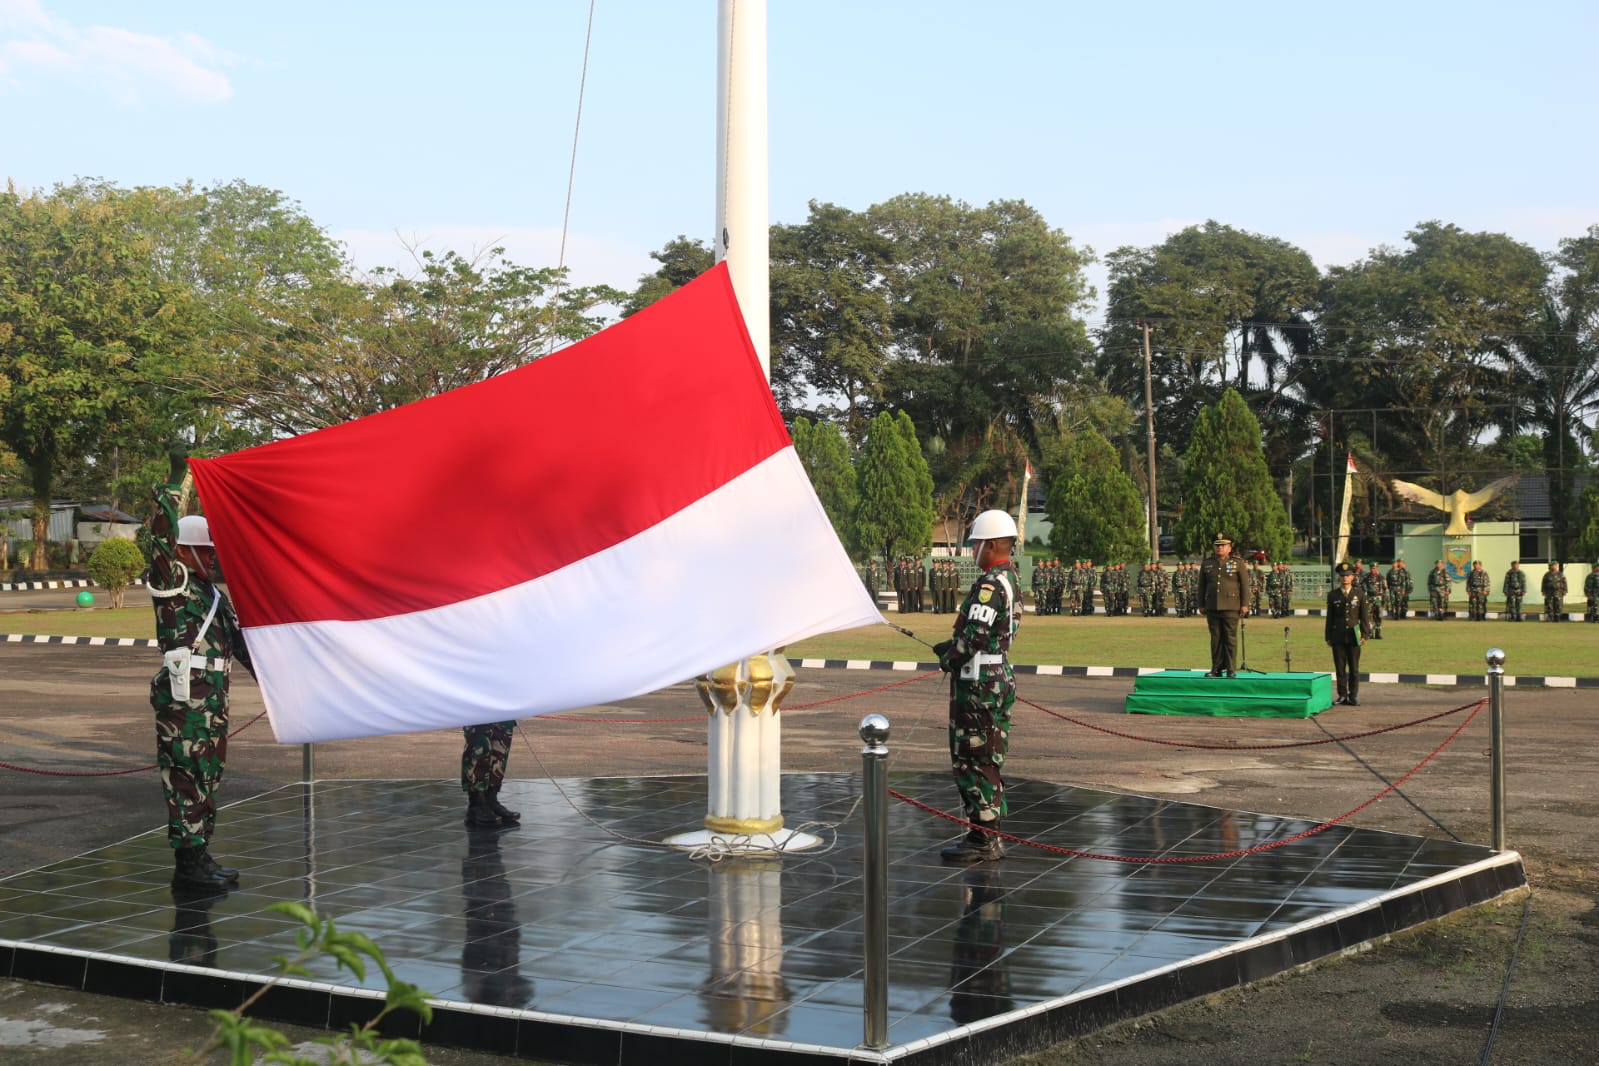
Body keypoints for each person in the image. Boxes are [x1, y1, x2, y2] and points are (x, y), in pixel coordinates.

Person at [148, 450, 255, 890]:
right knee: (186, 779)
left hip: (212, 701)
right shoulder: (173, 580)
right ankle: (187, 868)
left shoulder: (214, 594)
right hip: (184, 704)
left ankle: (201, 854)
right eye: (206, 552)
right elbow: (157, 537)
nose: (213, 559)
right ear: (185, 550)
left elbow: (244, 647)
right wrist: (177, 480)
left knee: (207, 776)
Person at [933, 509, 1021, 863]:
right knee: (987, 756)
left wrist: (950, 656)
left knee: (974, 759)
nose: (973, 551)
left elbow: (976, 635)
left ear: (995, 544)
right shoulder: (1008, 579)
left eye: (977, 544)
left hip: (980, 684)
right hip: (993, 677)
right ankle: (987, 830)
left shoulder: (989, 584)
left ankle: (982, 838)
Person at [1197, 533, 1251, 678]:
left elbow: (1245, 585)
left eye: (1223, 545)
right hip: (1212, 606)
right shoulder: (1207, 563)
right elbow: (1202, 585)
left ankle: (1231, 669)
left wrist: (1245, 604)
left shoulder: (1237, 563)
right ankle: (1216, 669)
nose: (1220, 548)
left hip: (1231, 606)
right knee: (1216, 639)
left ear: (1229, 548)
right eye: (1217, 545)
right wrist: (1201, 603)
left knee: (1230, 638)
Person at [1325, 561, 1368, 706]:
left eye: (1348, 575)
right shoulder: (1333, 595)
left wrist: (1365, 634)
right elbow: (1329, 618)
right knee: (1340, 668)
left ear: (1352, 577)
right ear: (1339, 577)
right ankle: (1342, 695)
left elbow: (1364, 617)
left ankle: (1353, 695)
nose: (1345, 578)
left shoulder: (1359, 594)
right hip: (1338, 636)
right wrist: (1328, 636)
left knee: (1354, 668)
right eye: (1342, 576)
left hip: (1354, 636)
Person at [462, 722, 521, 827]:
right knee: (479, 746)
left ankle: (491, 801)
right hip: (478, 710)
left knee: (500, 746)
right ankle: (476, 804)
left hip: (501, 708)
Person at [1361, 562, 1386, 638]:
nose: (1372, 569)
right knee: (1369, 616)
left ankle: (1378, 633)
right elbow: (1362, 585)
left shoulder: (1381, 577)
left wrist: (1384, 602)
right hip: (1369, 598)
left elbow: (1385, 589)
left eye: (1374, 568)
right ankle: (1370, 633)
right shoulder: (1366, 577)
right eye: (1371, 568)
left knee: (1378, 616)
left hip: (1379, 599)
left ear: (1377, 568)